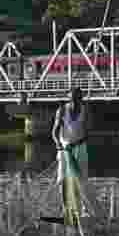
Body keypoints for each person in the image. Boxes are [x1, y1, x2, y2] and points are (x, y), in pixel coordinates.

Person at [51, 87, 91, 227]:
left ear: (81, 99)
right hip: (64, 149)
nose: (74, 102)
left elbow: (88, 131)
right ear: (69, 99)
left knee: (81, 179)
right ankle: (66, 209)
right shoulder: (61, 111)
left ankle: (82, 211)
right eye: (72, 99)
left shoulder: (86, 111)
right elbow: (54, 132)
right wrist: (59, 145)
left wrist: (77, 143)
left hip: (80, 148)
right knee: (64, 180)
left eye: (77, 99)